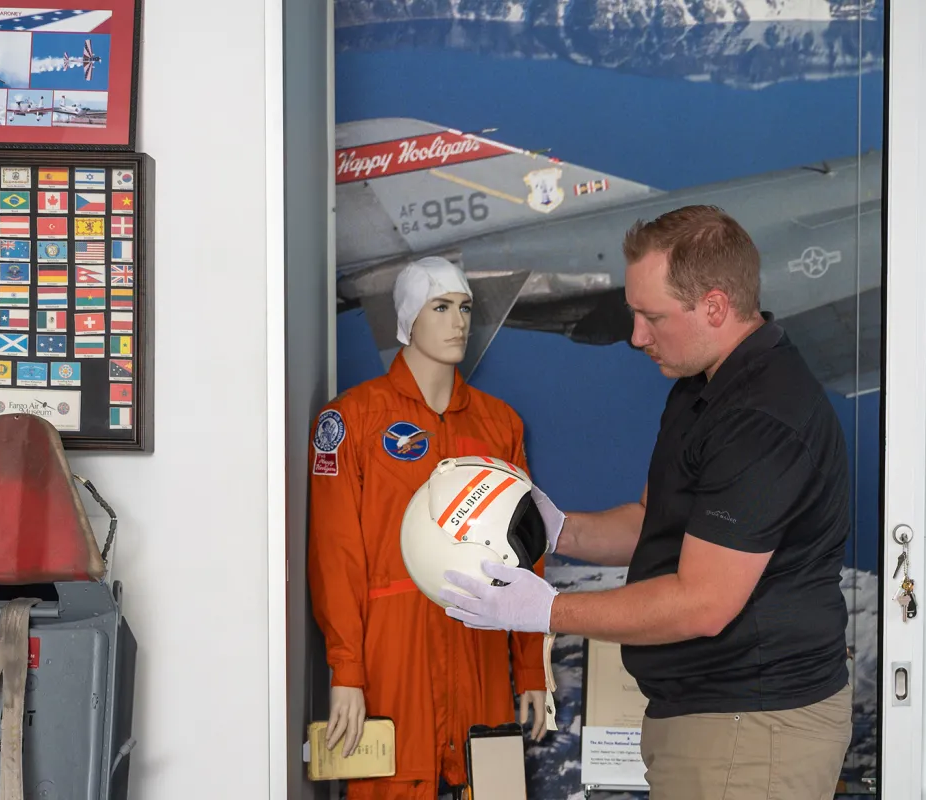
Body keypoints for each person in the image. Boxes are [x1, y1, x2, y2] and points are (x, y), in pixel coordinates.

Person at [439, 205, 854, 799]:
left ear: (714, 305)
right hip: (704, 721)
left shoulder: (762, 419)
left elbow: (702, 603)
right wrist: (560, 530)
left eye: (651, 316)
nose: (636, 337)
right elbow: (650, 523)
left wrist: (548, 612)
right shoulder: (700, 387)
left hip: (751, 732)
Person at [308, 257, 550, 799]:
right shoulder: (352, 420)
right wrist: (347, 671)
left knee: (492, 786)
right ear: (407, 321)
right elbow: (335, 553)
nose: (458, 321)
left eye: (464, 308)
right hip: (392, 658)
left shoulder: (499, 425)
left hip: (479, 650)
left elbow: (525, 550)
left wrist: (530, 668)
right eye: (440, 308)